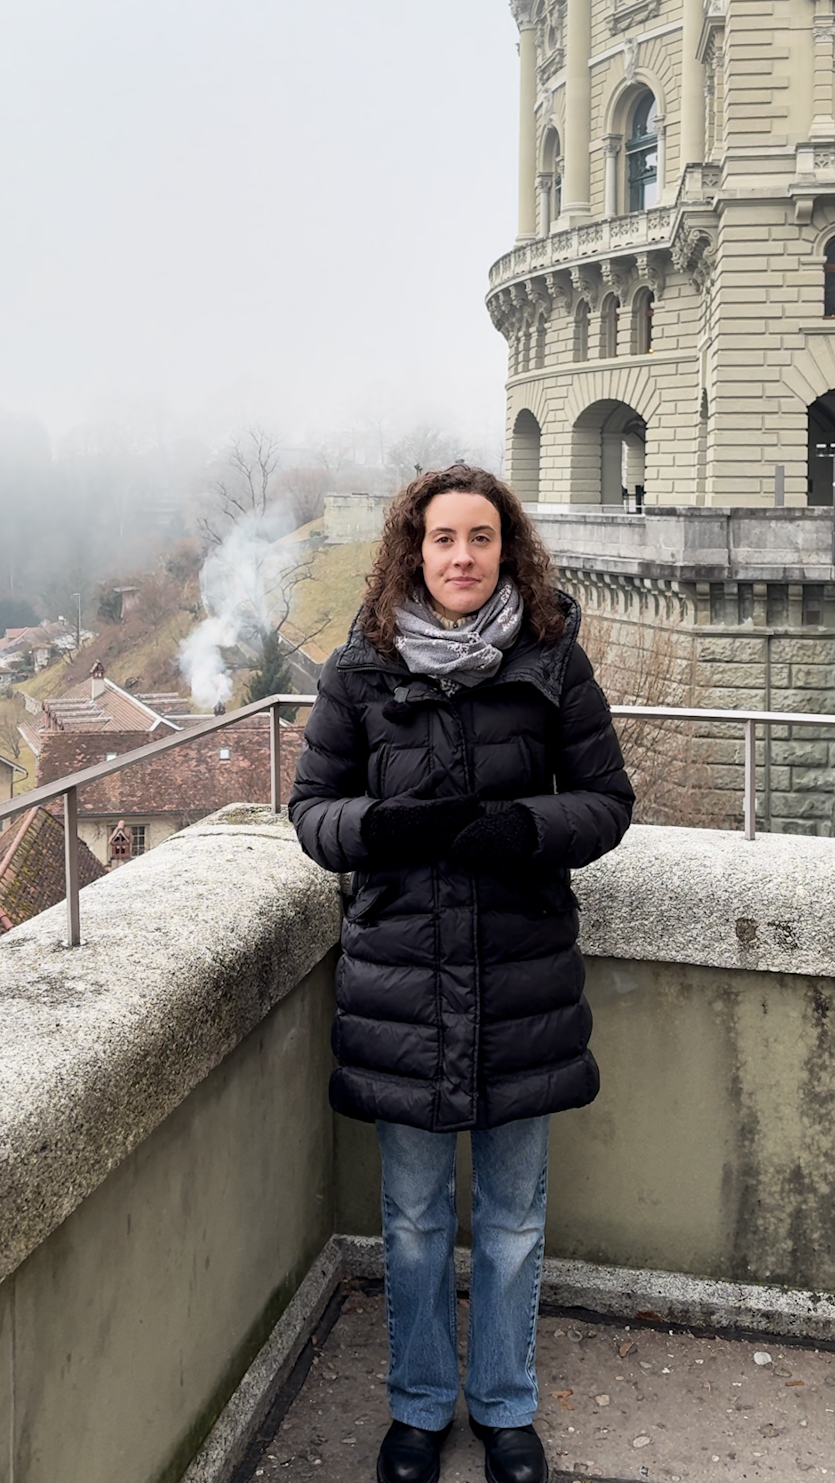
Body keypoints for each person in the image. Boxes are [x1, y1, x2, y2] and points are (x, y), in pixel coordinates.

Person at [289, 465, 634, 1483]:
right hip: (404, 982)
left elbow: (608, 801)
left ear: (507, 549)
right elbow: (312, 815)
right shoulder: (359, 673)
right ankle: (418, 1409)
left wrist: (521, 829)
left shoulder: (552, 662)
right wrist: (383, 829)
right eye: (443, 540)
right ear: (413, 550)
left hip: (521, 975)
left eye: (481, 539)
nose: (462, 559)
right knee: (413, 1217)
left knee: (516, 1218)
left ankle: (506, 1409)